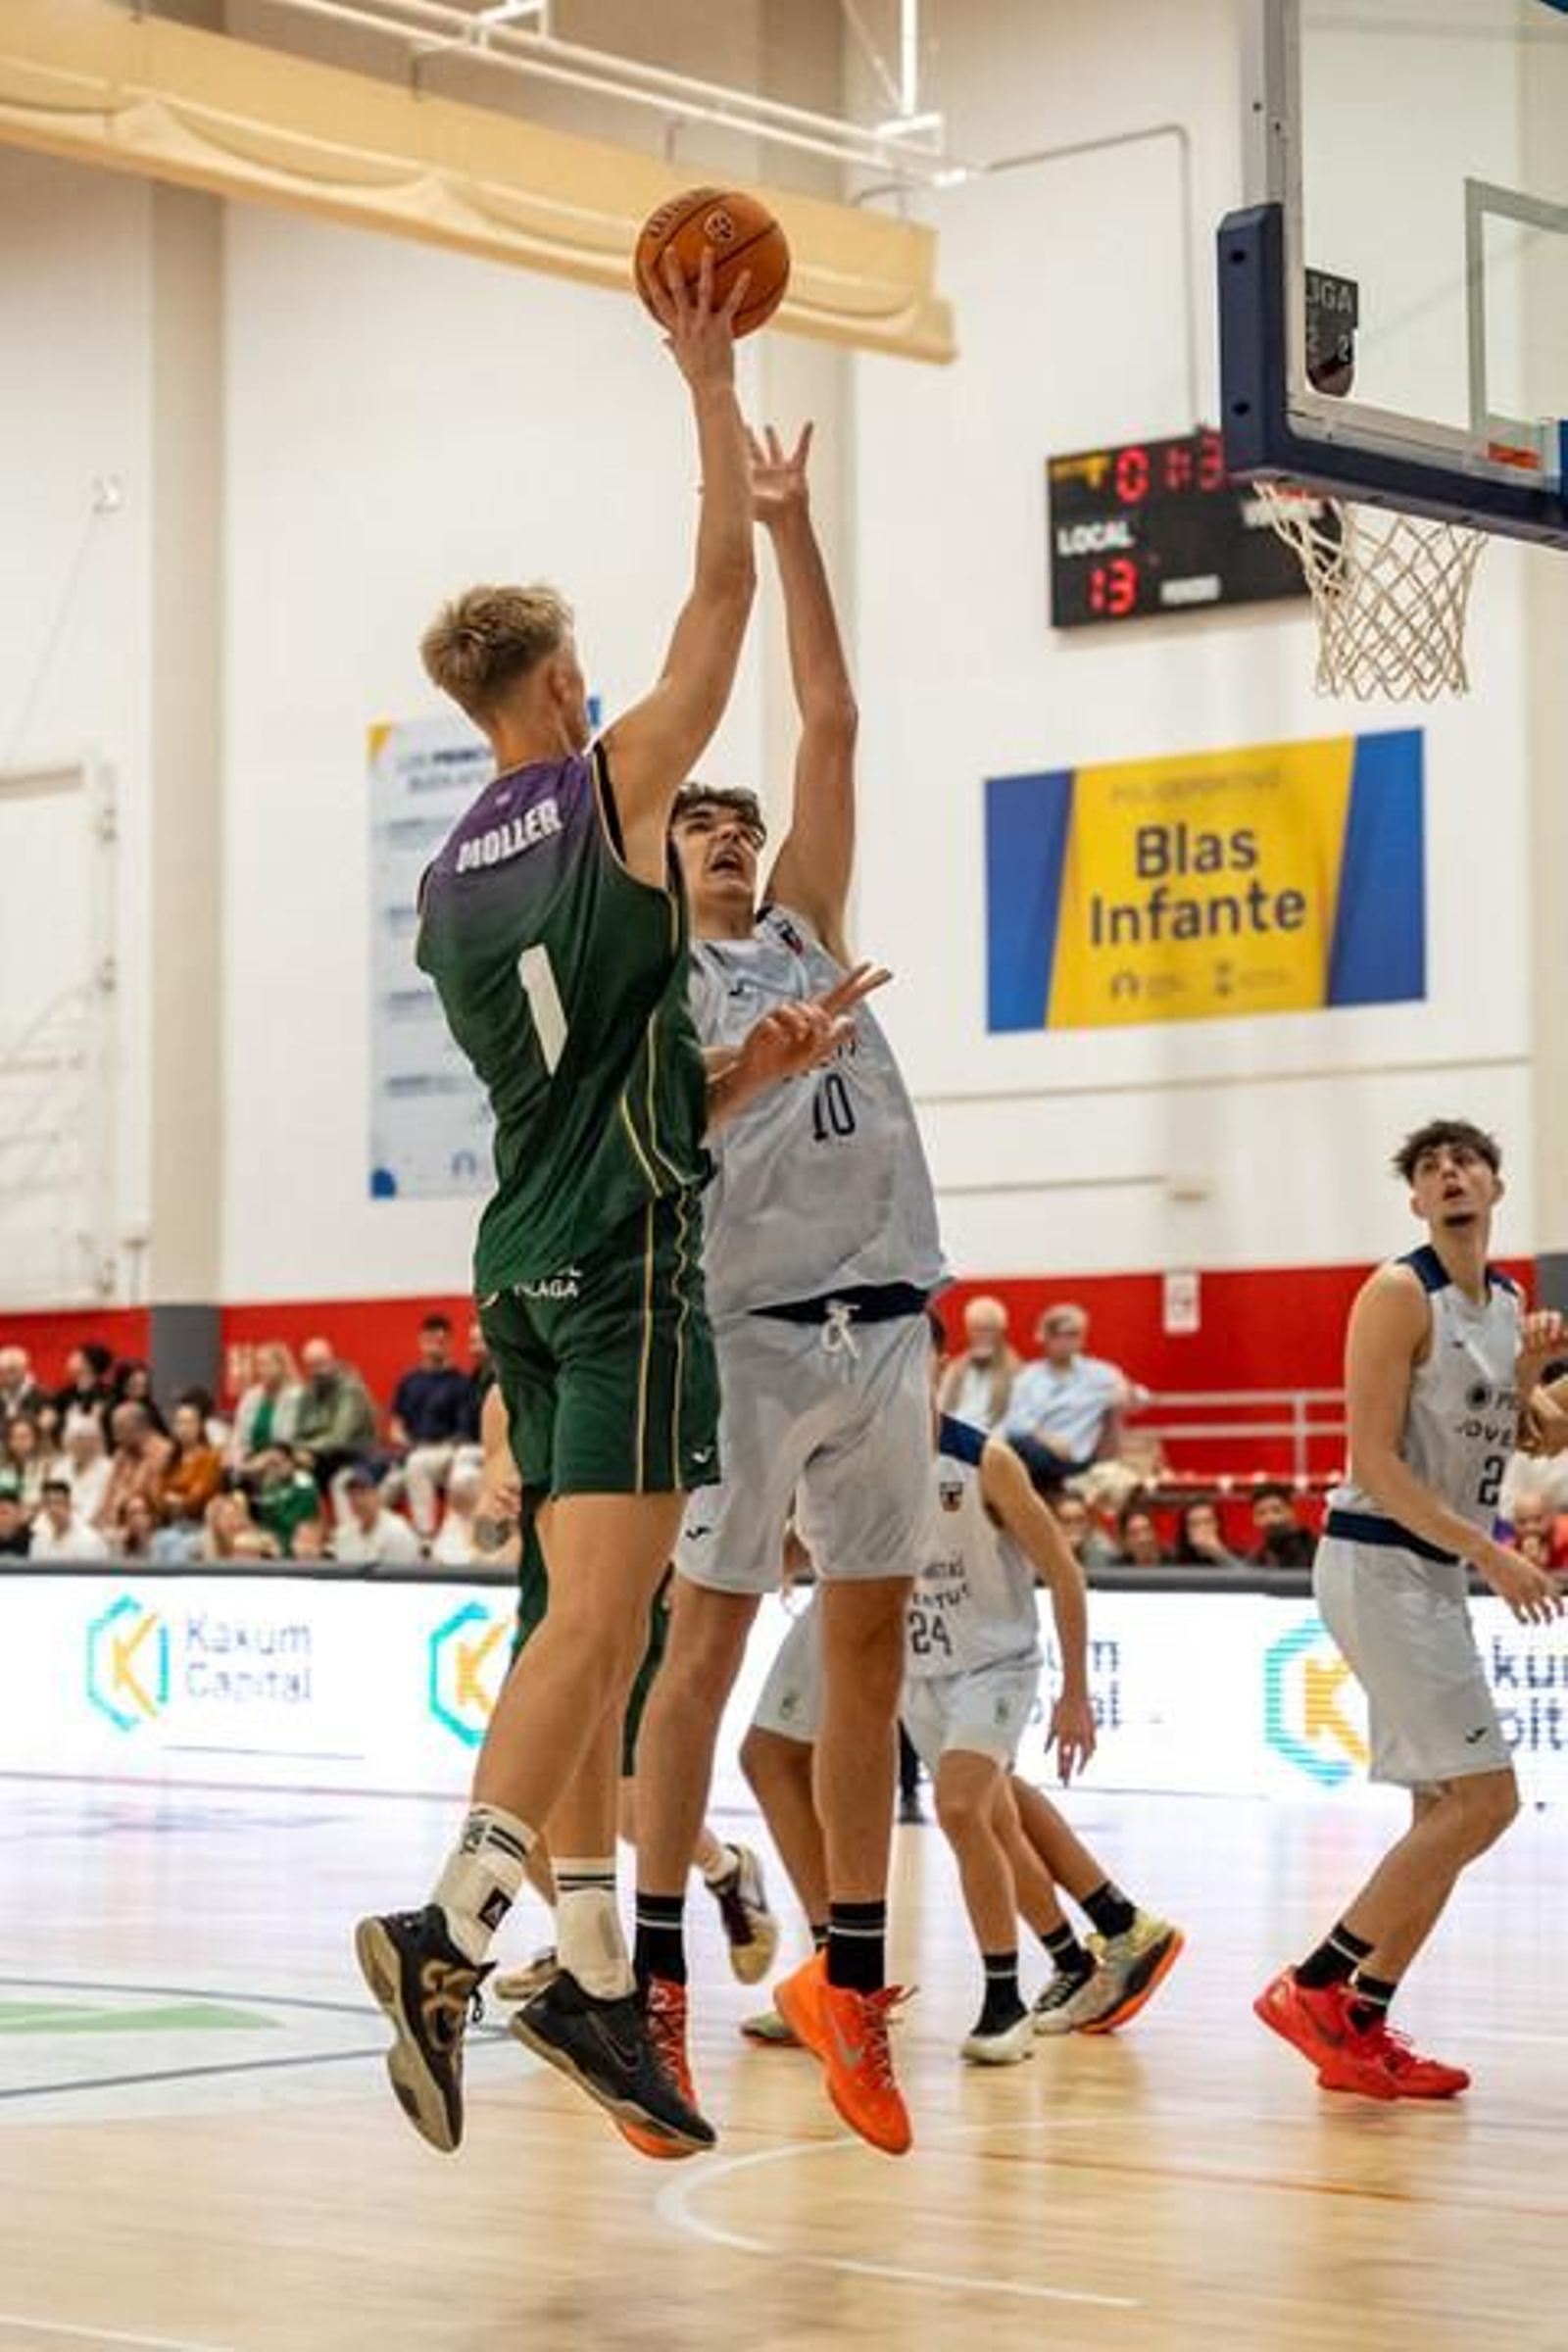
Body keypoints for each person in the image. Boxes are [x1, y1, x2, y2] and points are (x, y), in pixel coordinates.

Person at [355, 249, 862, 2164]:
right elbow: (722, 598)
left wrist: (737, 1068)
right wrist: (704, 373)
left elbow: (590, 1068)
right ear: (557, 686)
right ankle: (450, 1929)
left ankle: (579, 1966)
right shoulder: (606, 779)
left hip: (521, 1250)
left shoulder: (445, 886)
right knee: (605, 1628)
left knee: (581, 1626)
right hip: (632, 1261)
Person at [628, 418, 946, 2161]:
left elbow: (831, 714)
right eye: (706, 829)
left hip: (887, 1321)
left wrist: (792, 521)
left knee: (874, 1651)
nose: (738, 841)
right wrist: (758, 1067)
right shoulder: (655, 991)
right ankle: (660, 1978)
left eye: (744, 827)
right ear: (667, 861)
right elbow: (654, 1138)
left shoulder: (815, 926)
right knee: (707, 1645)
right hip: (744, 1346)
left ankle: (851, 1979)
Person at [1255, 1119, 1564, 2100]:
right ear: (1416, 1202)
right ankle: (1314, 1986)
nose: (1449, 1176)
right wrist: (1492, 1552)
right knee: (1487, 1801)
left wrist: (1531, 1381)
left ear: (1494, 1187)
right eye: (1430, 1170)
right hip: (1379, 1560)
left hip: (1430, 1571)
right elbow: (1373, 1464)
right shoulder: (1396, 1294)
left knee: (1444, 1811)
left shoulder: (1510, 1300)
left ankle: (1362, 2023)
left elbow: (1532, 1436)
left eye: (1463, 1162)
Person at [1002, 1303, 1140, 1492]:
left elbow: (1140, 1396)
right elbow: (1014, 1424)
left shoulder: (1099, 1374)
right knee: (1015, 1448)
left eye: (1072, 1335)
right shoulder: (1029, 1377)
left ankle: (1058, 1493)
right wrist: (1047, 1439)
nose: (1064, 1341)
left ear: (1082, 1339)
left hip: (1078, 1458)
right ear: (1044, 1338)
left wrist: (1125, 1389)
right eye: (1057, 1335)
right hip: (1037, 1453)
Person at [390, 1312, 481, 1536]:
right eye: (431, 1340)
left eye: (441, 1341)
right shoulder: (408, 1381)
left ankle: (426, 1536)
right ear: (421, 1341)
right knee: (372, 1486)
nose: (435, 1346)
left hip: (444, 1453)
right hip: (410, 1452)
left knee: (417, 1465)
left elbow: (462, 1433)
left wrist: (434, 1449)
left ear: (450, 1343)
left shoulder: (461, 1383)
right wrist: (404, 1441)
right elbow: (395, 1426)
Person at [936, 1296, 1021, 1431]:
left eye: (987, 1330)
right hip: (954, 1436)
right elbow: (941, 1407)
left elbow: (1015, 1420)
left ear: (1000, 1332)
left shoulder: (1015, 1371)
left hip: (992, 1439)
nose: (981, 1336)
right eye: (976, 1329)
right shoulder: (956, 1368)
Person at [1248, 1481, 1317, 1568]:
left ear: (1291, 1512)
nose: (1270, 1519)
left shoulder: (1314, 1549)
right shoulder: (1256, 1558)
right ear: (1255, 1520)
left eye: (1277, 1511)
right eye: (1262, 1513)